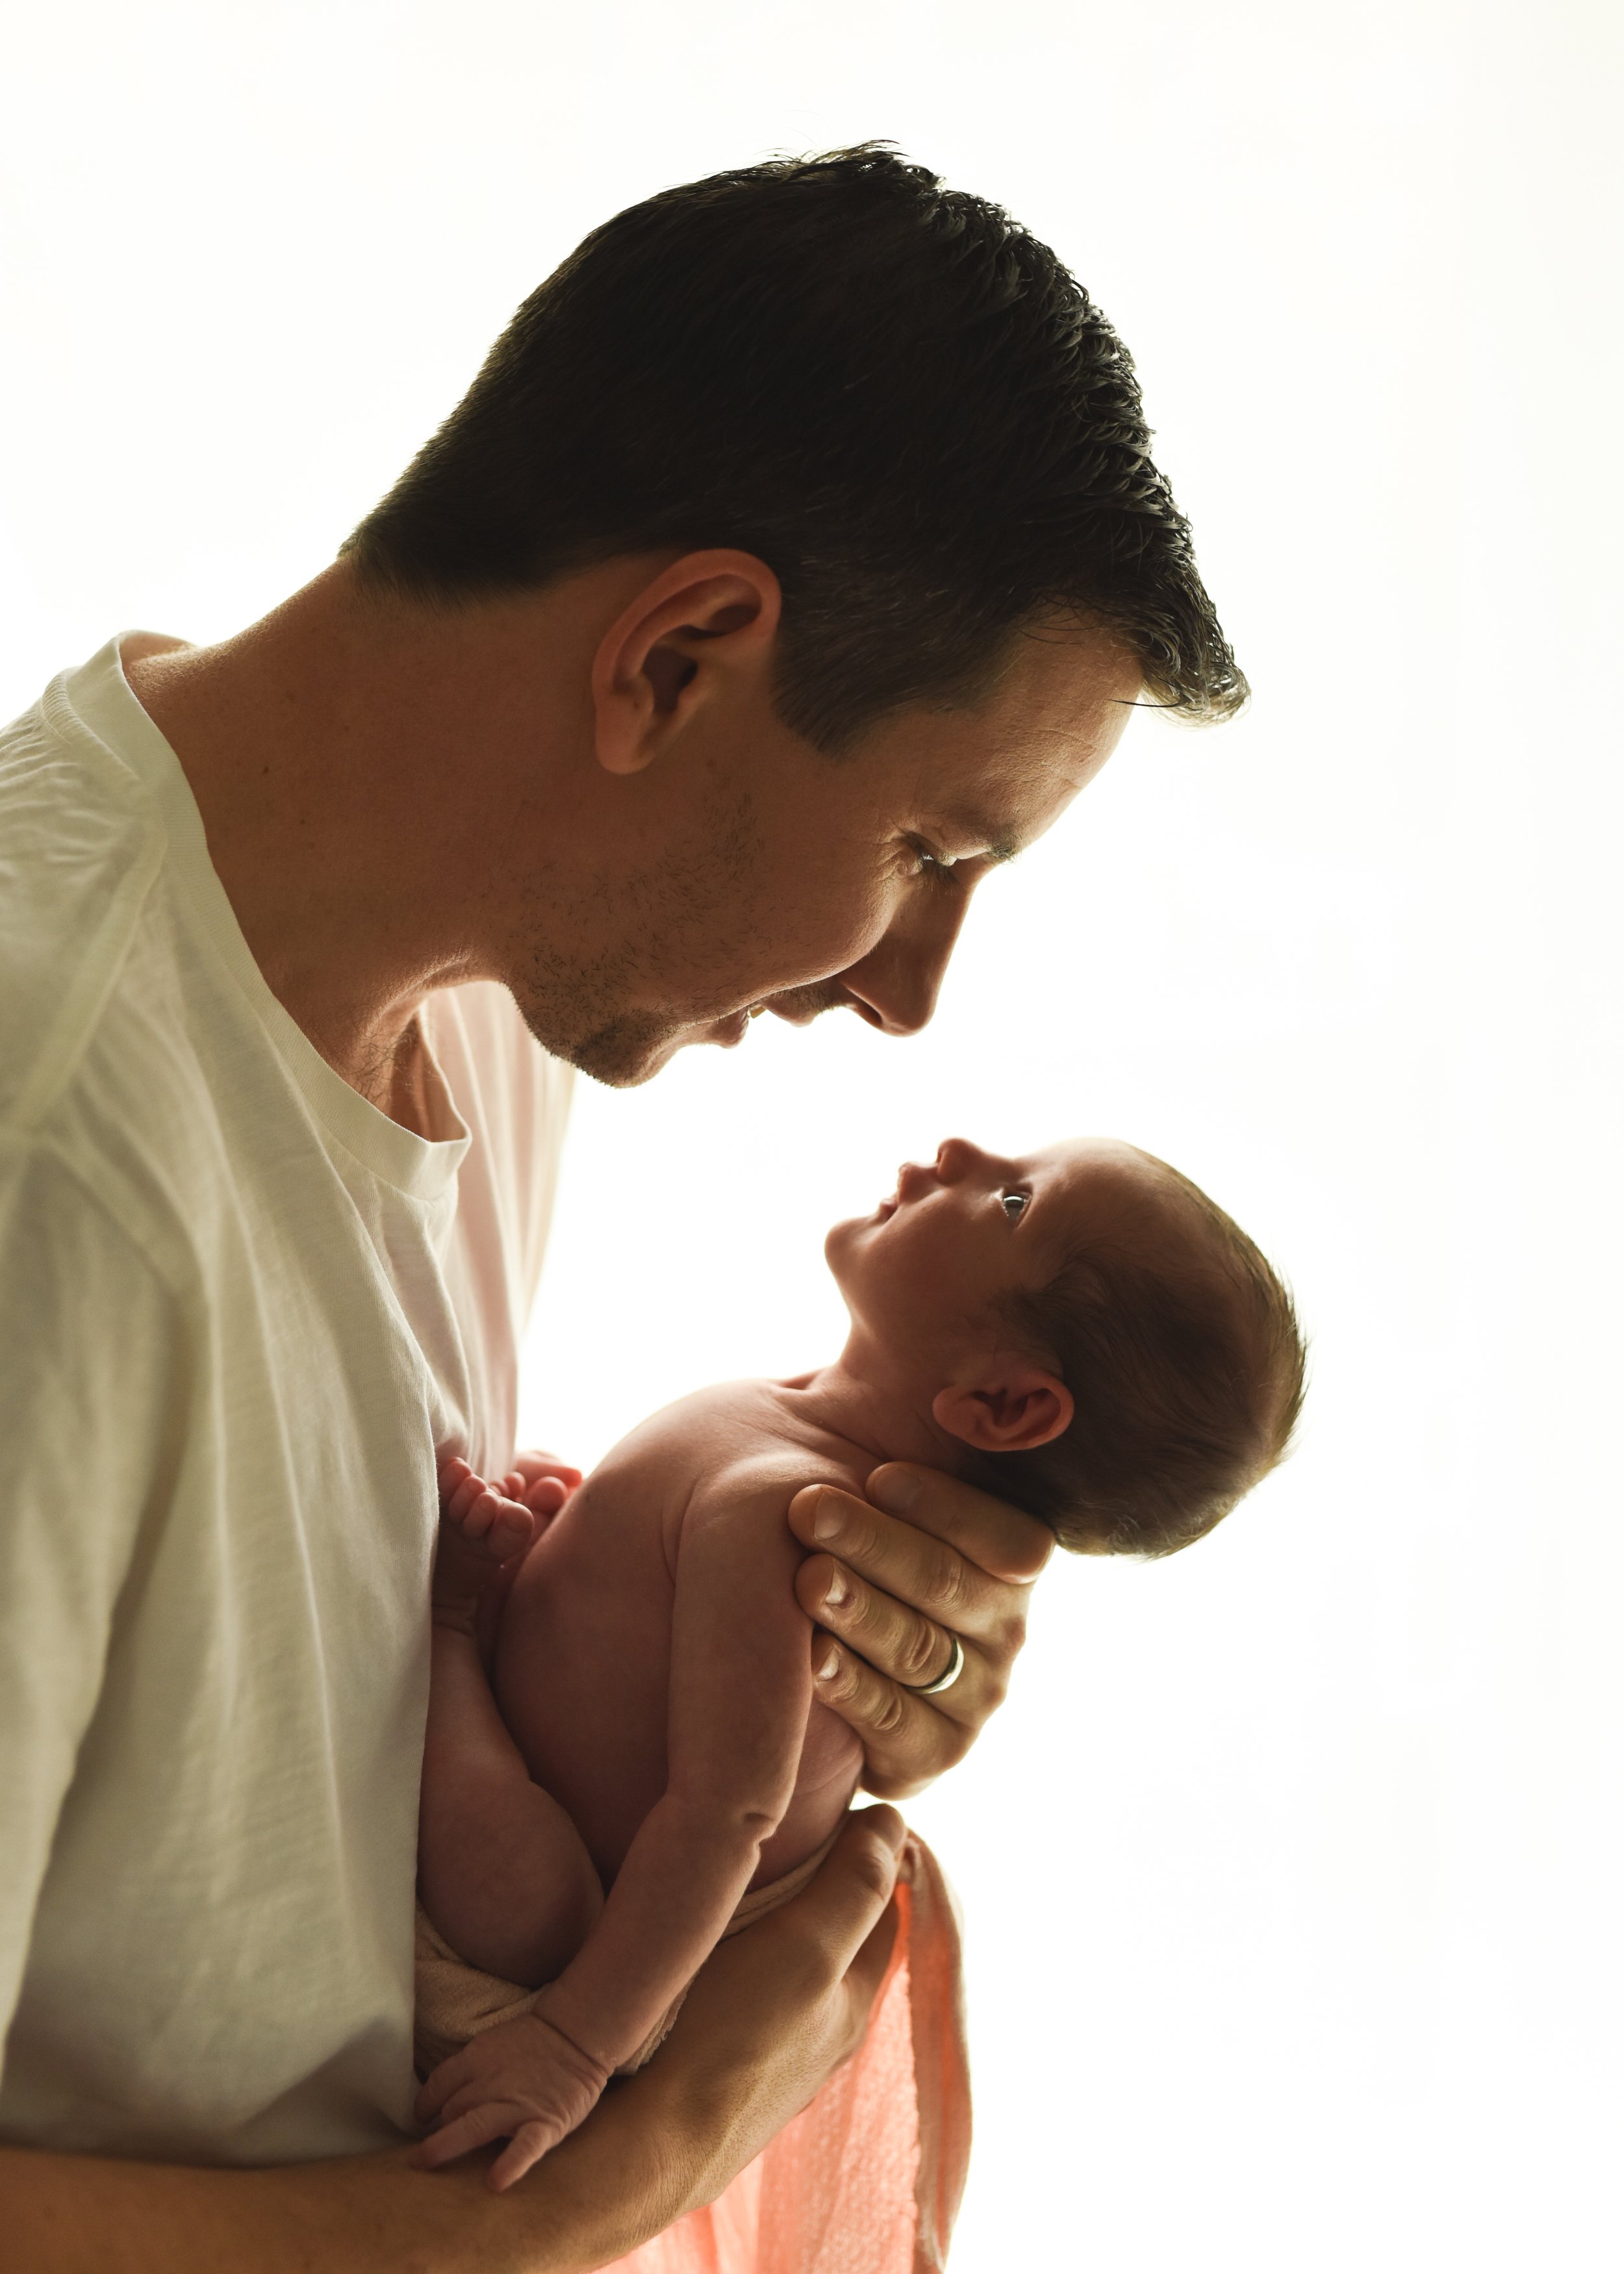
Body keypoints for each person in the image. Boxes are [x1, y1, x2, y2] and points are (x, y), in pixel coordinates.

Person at [0, 146, 1247, 2269]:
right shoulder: (52, 1155)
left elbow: (283, 1745)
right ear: (677, 662)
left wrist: (819, 1624)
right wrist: (587, 2193)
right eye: (936, 850)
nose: (909, 997)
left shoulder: (474, 999)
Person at [409, 1132, 1305, 2208]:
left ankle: (451, 1628)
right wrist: (566, 1534)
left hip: (565, 1955)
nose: (959, 1151)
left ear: (1006, 1405)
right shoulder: (784, 1436)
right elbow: (643, 1620)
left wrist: (574, 2045)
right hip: (595, 1865)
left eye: (1014, 1201)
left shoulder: (785, 1514)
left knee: (514, 1886)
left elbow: (722, 1818)